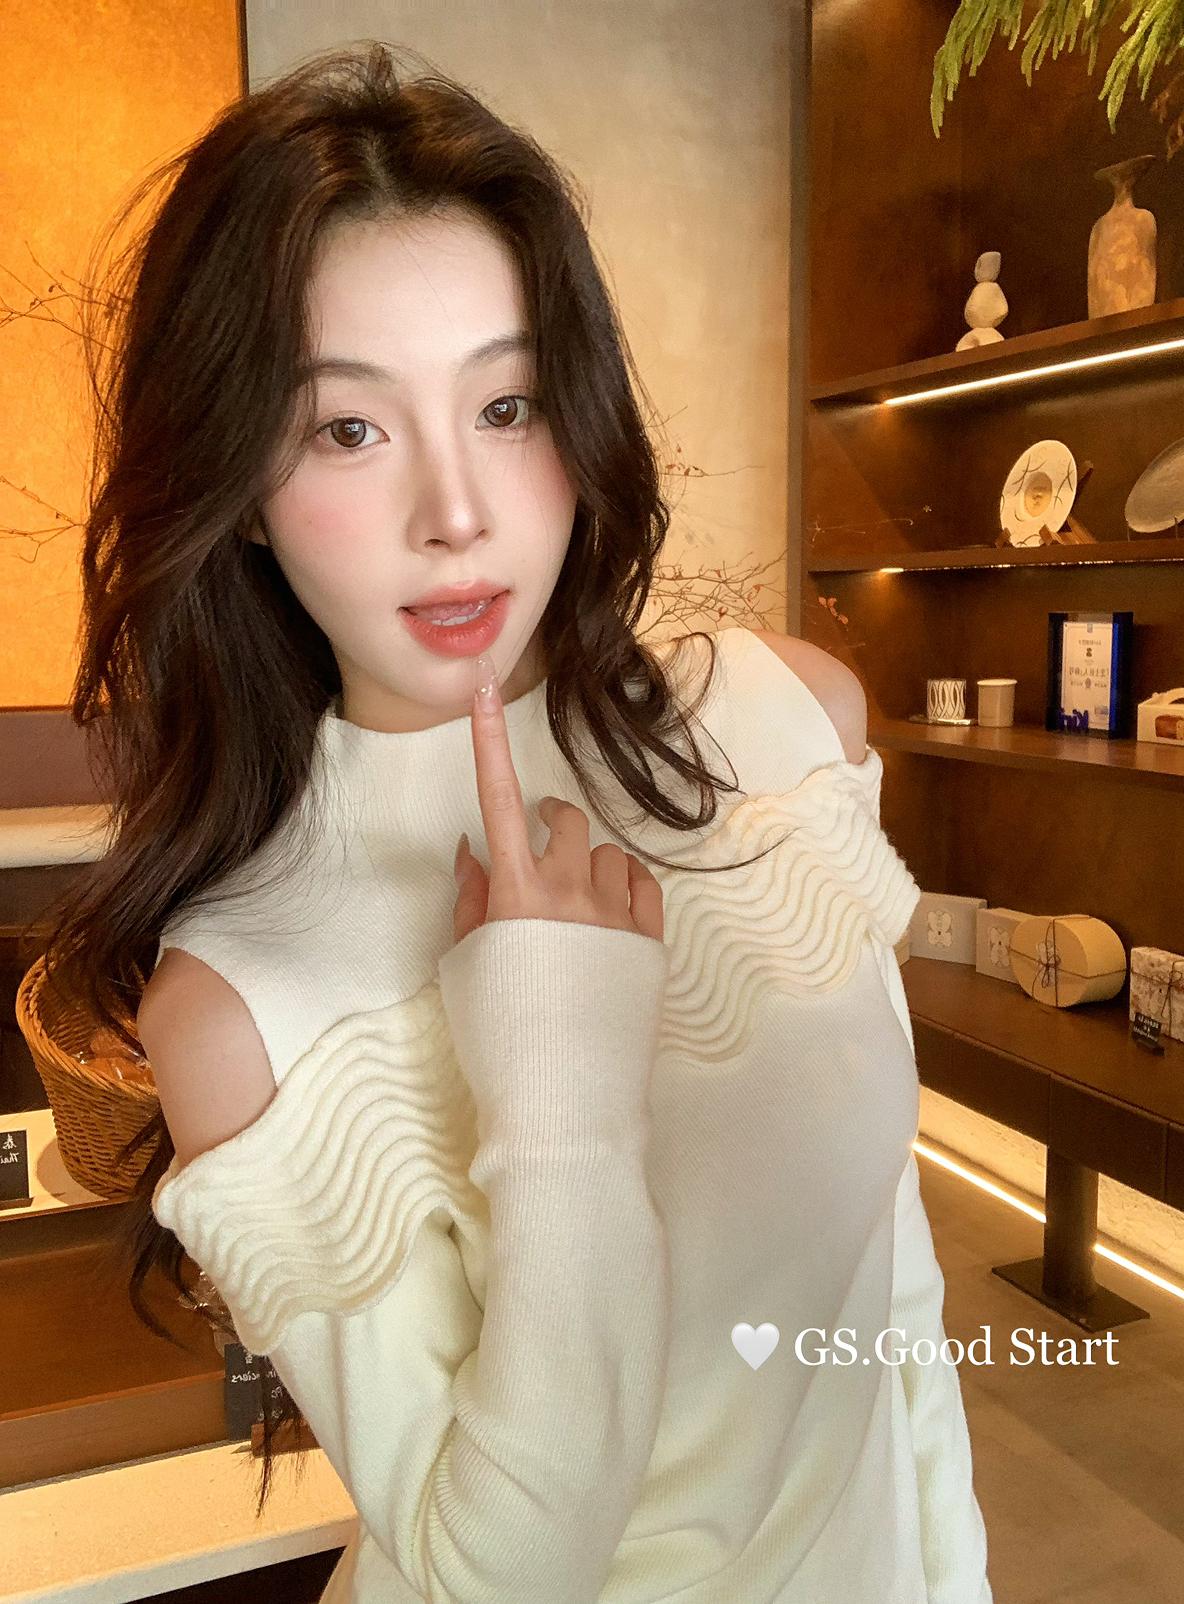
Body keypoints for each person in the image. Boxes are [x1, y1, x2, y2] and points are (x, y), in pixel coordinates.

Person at [42, 40, 993, 1604]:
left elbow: (886, 1307)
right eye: (347, 430)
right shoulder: (239, 1004)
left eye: (508, 404)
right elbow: (498, 1574)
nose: (458, 514)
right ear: (241, 485)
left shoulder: (786, 726)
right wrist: (559, 1098)